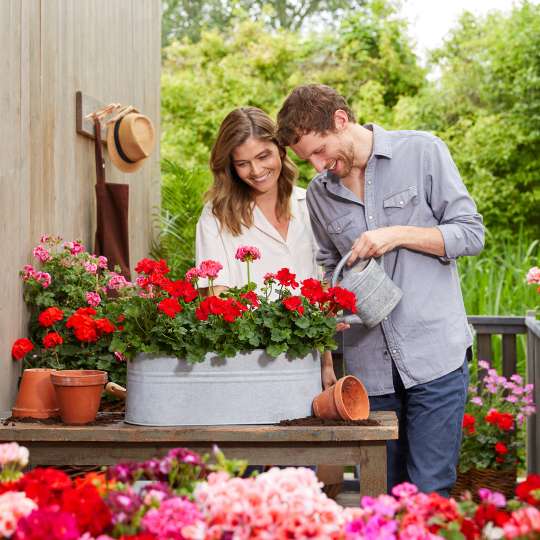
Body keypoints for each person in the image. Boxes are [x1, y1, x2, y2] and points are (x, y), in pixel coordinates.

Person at [276, 84, 485, 496]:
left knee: (428, 495)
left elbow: (470, 234)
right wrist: (328, 313)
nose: (318, 167)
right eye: (308, 159)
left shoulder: (423, 151)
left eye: (320, 151)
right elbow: (327, 267)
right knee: (381, 498)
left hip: (434, 360)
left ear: (340, 120)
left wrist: (397, 234)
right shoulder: (321, 194)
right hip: (370, 375)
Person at [195, 106, 338, 396]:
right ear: (230, 167)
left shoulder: (311, 204)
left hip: (307, 363)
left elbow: (324, 289)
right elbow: (215, 296)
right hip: (247, 365)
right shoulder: (216, 216)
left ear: (281, 151)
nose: (257, 171)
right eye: (243, 163)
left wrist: (326, 363)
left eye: (263, 156)